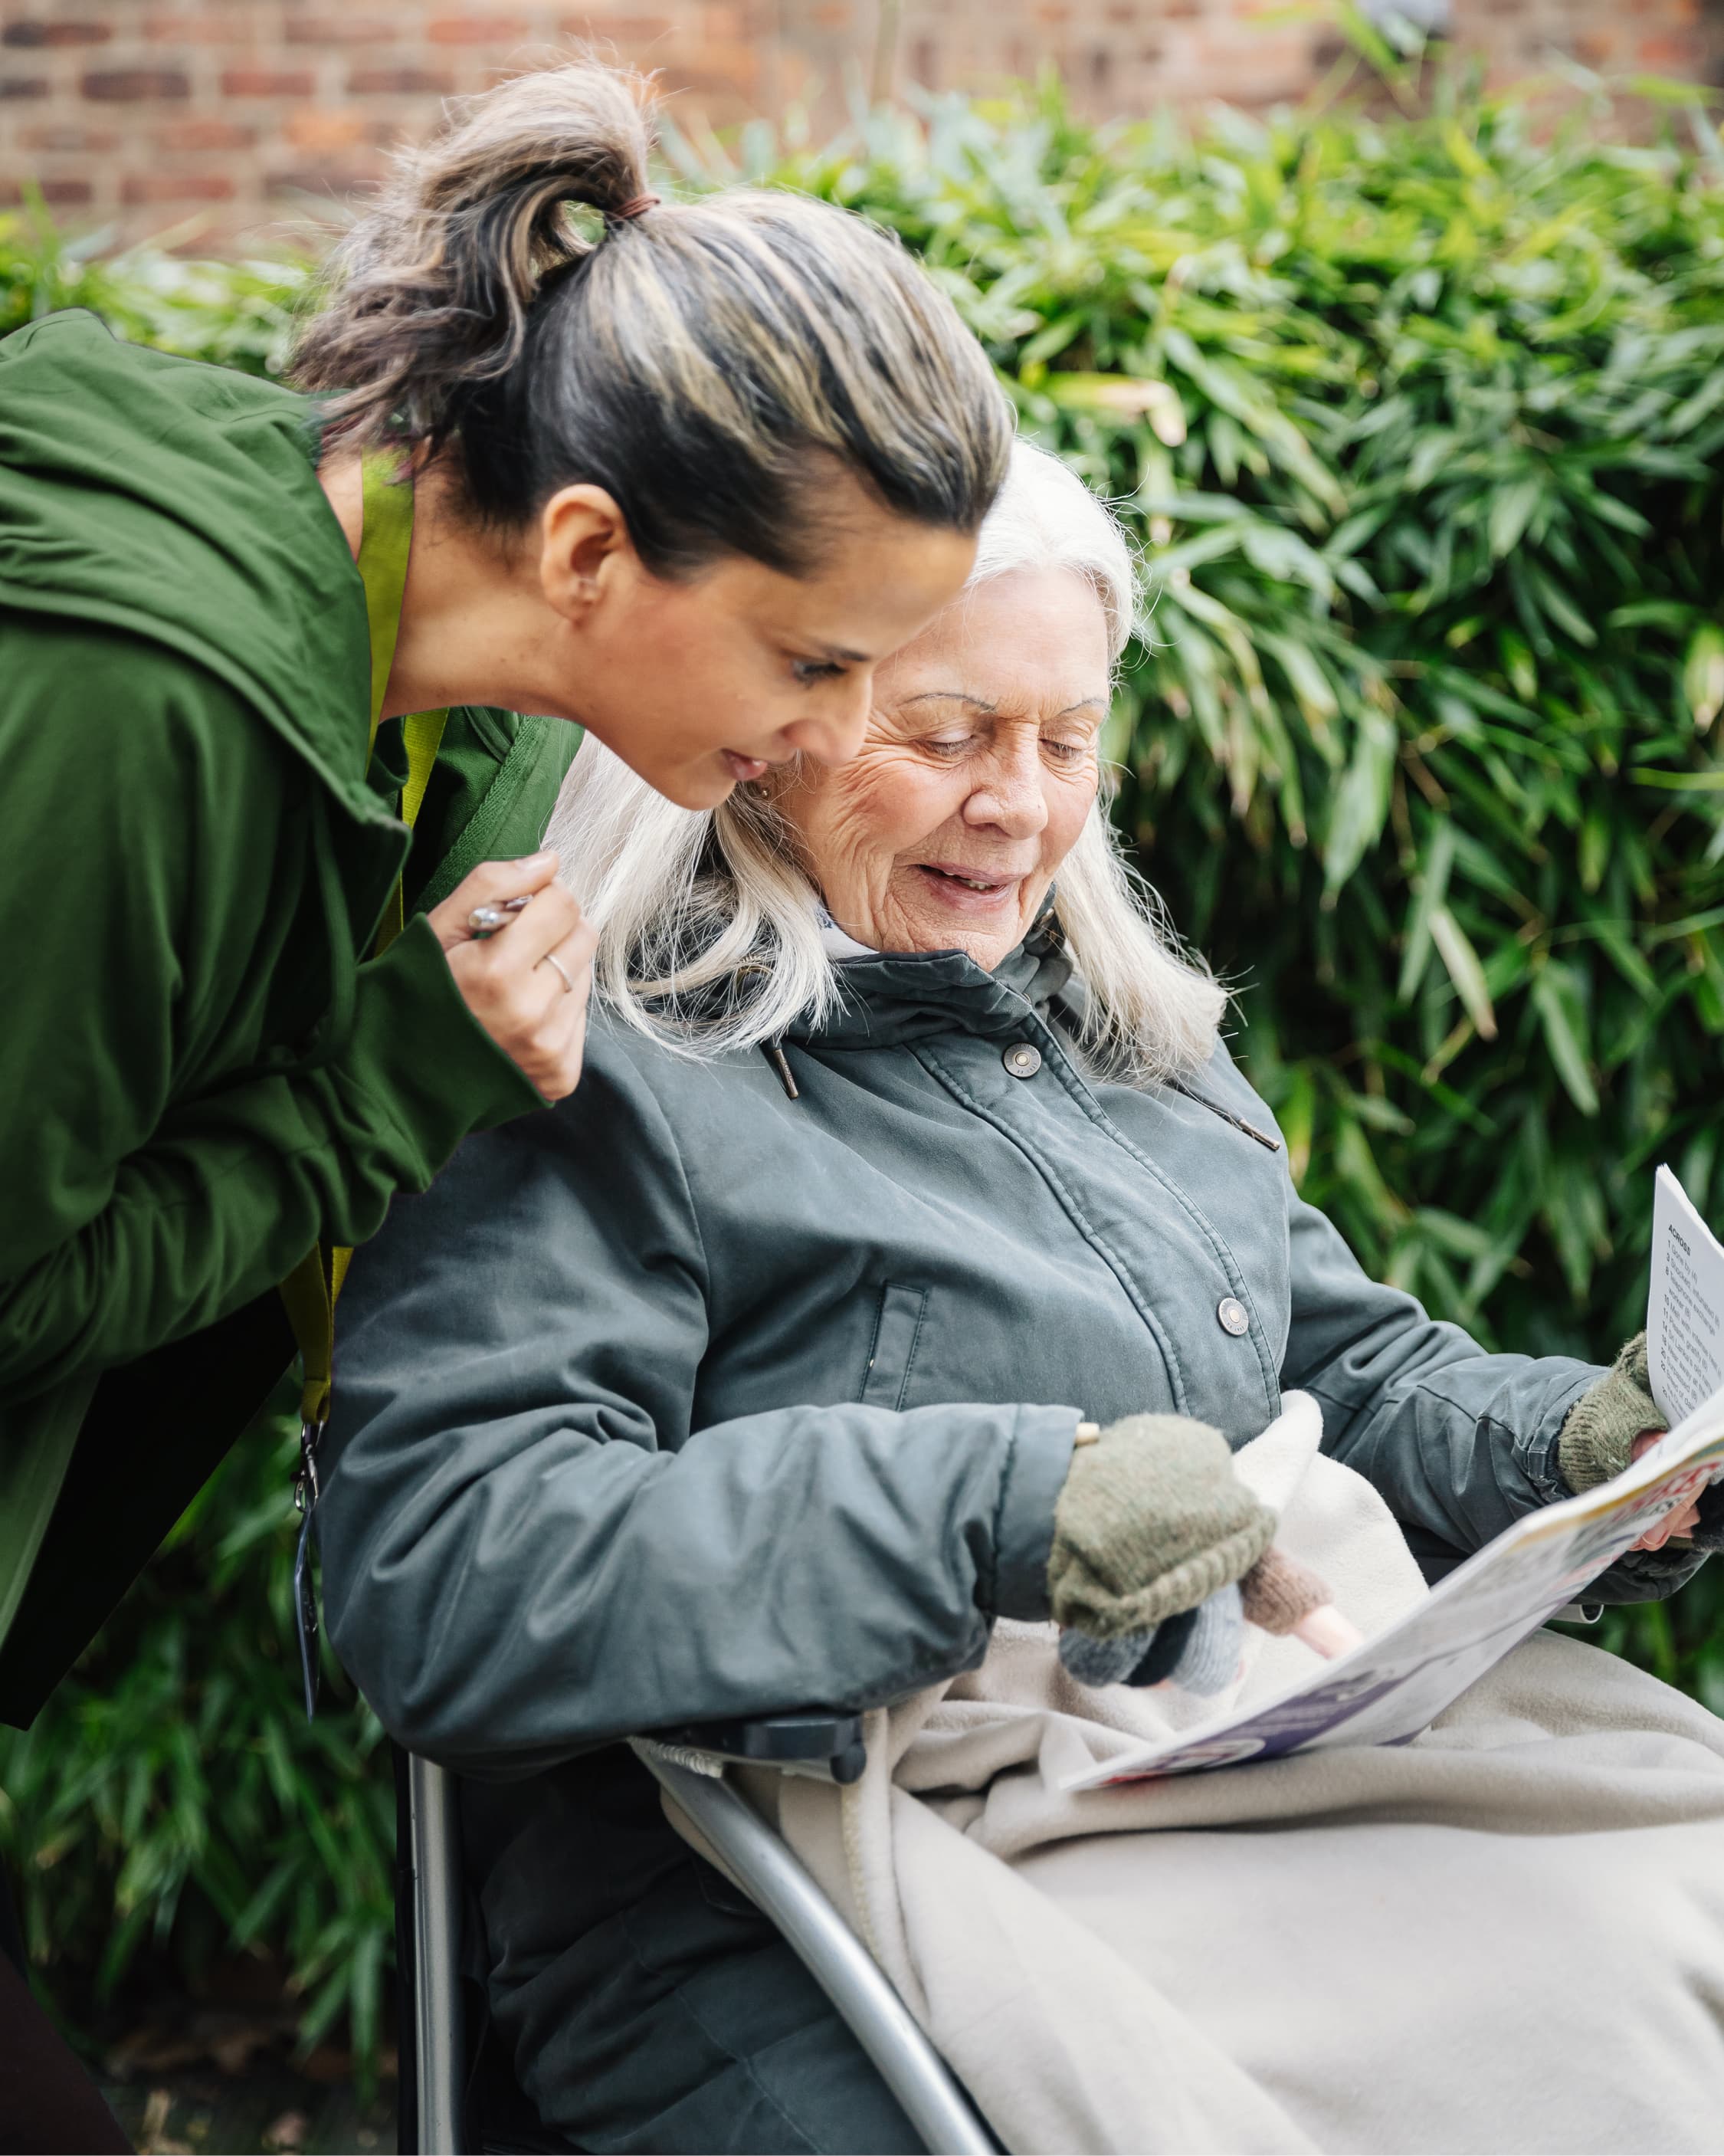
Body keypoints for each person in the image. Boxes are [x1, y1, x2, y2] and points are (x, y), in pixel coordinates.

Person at [316, 443, 1719, 2153]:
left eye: (1066, 740)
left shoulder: (1122, 1040)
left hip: (1215, 1775)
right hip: (765, 1871)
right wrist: (1005, 1505)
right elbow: (449, 1572)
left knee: (1645, 1951)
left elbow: (1329, 1369)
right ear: (771, 731)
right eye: (948, 732)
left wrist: (1590, 1447)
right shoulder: (598, 1068)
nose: (1022, 805)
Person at [0, 55, 1008, 2145]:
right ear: (583, 544)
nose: (835, 739)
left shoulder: (449, 708)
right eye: (811, 664)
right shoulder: (146, 706)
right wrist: (398, 1073)